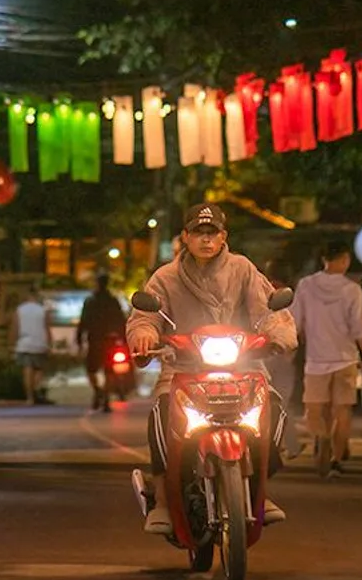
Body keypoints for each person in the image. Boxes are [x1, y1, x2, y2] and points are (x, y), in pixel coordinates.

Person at [126, 203, 298, 534]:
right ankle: (162, 498)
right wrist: (145, 335)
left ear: (223, 237)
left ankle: (258, 489)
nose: (206, 240)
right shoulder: (165, 277)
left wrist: (277, 334)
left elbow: (268, 309)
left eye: (212, 233)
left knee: (274, 411)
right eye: (198, 233)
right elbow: (145, 318)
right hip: (183, 369)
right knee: (162, 414)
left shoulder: (243, 269)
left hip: (244, 367)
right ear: (185, 237)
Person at [290, 239, 362, 477]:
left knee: (315, 410)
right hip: (346, 358)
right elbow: (360, 328)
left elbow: (295, 321)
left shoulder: (305, 285)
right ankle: (336, 459)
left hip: (316, 360)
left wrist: (289, 347)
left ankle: (322, 437)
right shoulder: (352, 289)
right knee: (342, 410)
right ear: (344, 260)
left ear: (323, 260)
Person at [76, 272, 128, 413]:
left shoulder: (91, 301)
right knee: (108, 371)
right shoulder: (112, 301)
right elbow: (120, 321)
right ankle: (104, 396)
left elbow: (83, 321)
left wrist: (79, 339)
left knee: (92, 369)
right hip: (109, 339)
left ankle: (99, 392)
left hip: (95, 339)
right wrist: (123, 338)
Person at [13, 286, 52, 406]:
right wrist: (50, 343)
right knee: (39, 369)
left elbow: (15, 327)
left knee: (27, 370)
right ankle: (35, 388)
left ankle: (29, 397)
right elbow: (47, 328)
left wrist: (12, 343)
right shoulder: (42, 310)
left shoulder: (19, 310)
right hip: (40, 343)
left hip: (24, 343)